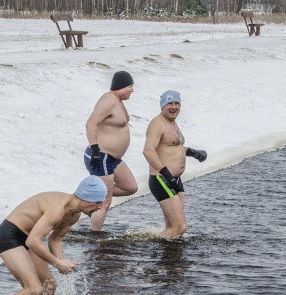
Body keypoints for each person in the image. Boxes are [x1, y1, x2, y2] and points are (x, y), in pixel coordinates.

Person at [0, 176, 107, 295]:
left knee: (49, 285)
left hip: (30, 238)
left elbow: (56, 238)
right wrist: (57, 263)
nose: (100, 207)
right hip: (9, 236)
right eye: (97, 202)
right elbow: (33, 241)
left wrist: (61, 261)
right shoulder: (58, 208)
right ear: (84, 198)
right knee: (33, 288)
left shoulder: (74, 214)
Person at [142, 90, 208, 237]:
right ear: (162, 106)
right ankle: (148, 246)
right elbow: (148, 151)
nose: (173, 107)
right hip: (162, 179)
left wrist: (192, 152)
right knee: (179, 227)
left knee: (173, 228)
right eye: (169, 103)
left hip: (175, 180)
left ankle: (170, 258)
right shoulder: (157, 124)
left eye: (176, 103)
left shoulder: (172, 123)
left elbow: (172, 148)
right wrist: (166, 174)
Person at [84, 70, 138, 231]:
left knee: (131, 187)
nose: (132, 90)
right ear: (120, 86)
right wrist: (94, 149)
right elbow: (90, 123)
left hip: (112, 159)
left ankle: (88, 198)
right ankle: (94, 237)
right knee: (105, 201)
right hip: (101, 156)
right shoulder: (108, 101)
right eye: (129, 86)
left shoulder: (118, 101)